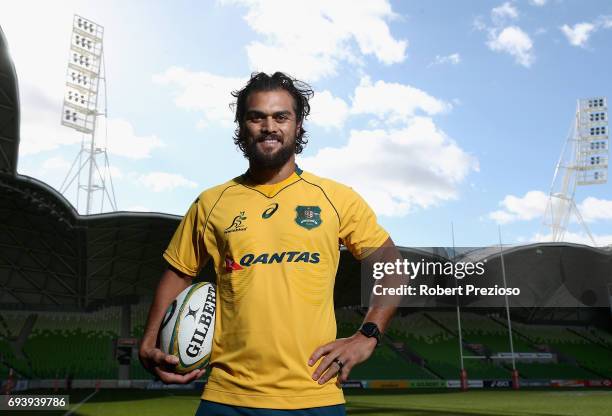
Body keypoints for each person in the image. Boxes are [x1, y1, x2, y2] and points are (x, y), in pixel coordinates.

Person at [139, 72, 400, 415]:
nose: (269, 126)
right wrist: (148, 341)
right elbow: (178, 272)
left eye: (281, 116)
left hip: (314, 394)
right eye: (256, 116)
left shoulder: (336, 198)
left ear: (298, 125)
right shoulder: (212, 202)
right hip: (226, 397)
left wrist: (368, 335)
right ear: (242, 126)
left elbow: (391, 265)